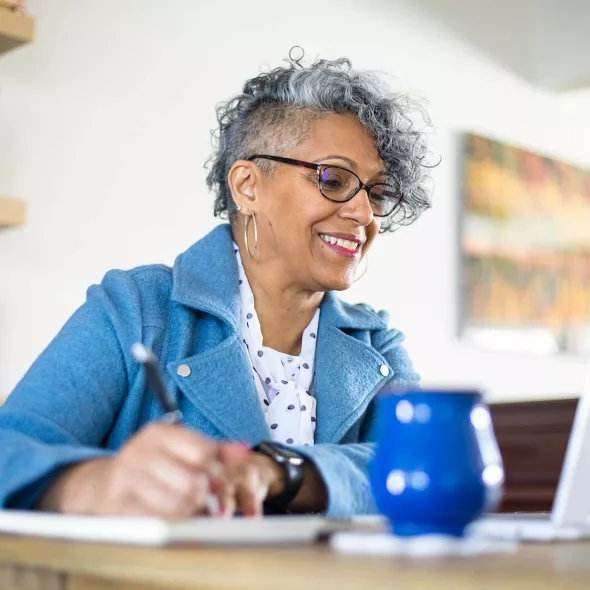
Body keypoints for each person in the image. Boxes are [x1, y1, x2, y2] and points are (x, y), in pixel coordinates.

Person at [0, 49, 432, 518]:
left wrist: (283, 473)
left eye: (378, 192)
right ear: (248, 186)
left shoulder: (377, 344)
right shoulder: (134, 311)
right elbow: (10, 452)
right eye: (333, 179)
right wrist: (90, 484)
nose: (364, 214)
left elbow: (424, 464)